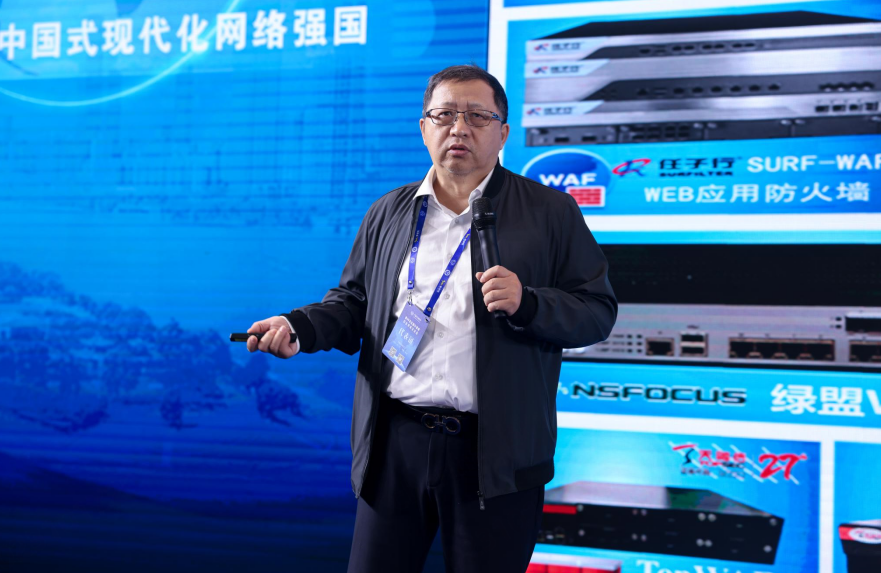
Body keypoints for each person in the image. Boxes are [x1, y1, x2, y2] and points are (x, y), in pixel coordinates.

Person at [246, 64, 617, 573]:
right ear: (424, 128)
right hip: (395, 443)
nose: (459, 128)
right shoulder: (389, 211)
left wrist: (529, 303)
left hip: (496, 455)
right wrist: (300, 328)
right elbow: (354, 302)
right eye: (444, 115)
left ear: (503, 132)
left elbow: (596, 311)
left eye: (477, 116)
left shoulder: (550, 212)